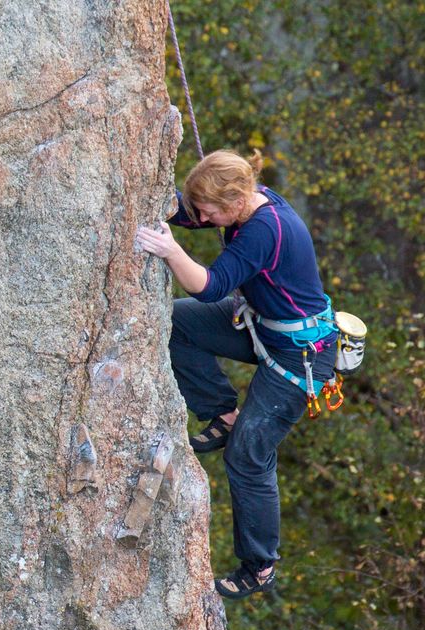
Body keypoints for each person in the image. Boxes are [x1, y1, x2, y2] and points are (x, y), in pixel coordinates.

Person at [135, 149, 337, 599]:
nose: (202, 215)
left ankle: (259, 565)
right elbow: (195, 214)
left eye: (209, 209)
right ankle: (221, 413)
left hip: (300, 355)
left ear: (232, 203)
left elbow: (207, 286)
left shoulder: (265, 230)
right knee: (177, 325)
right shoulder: (248, 201)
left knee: (247, 455)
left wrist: (170, 250)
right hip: (265, 326)